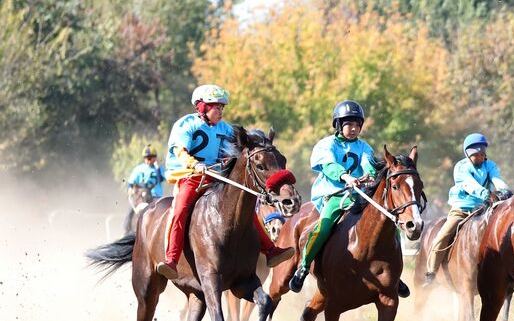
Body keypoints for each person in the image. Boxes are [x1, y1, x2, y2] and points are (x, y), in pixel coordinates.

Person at [156, 85, 294, 280]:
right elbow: (180, 151)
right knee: (180, 210)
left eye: (222, 108)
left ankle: (270, 250)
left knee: (244, 208)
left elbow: (241, 145)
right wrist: (195, 165)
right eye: (216, 107)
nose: (220, 112)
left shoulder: (225, 128)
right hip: (190, 176)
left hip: (216, 177)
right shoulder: (187, 124)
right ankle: (171, 259)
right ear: (202, 107)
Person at [288, 100, 377, 292]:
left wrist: (369, 175)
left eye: (357, 125)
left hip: (358, 194)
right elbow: (328, 165)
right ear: (338, 125)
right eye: (349, 125)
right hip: (333, 194)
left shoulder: (364, 147)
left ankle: (393, 273)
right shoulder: (326, 144)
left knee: (385, 221)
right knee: (324, 226)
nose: (353, 129)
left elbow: (369, 164)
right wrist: (345, 177)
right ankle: (303, 266)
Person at [423, 132, 510, 283]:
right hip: (462, 209)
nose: (480, 157)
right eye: (476, 155)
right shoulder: (461, 167)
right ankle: (431, 272)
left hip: (484, 209)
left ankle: (510, 273)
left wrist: (504, 190)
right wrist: (487, 194)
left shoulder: (490, 165)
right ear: (468, 155)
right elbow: (470, 185)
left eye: (482, 153)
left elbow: (497, 179)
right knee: (442, 235)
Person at [124, 145, 166, 232]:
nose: (149, 160)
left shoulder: (160, 169)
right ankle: (126, 230)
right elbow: (131, 182)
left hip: (156, 197)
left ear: (155, 158)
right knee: (131, 211)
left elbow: (163, 178)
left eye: (151, 157)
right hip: (142, 196)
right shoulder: (139, 169)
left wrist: (157, 169)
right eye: (147, 158)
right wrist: (130, 189)